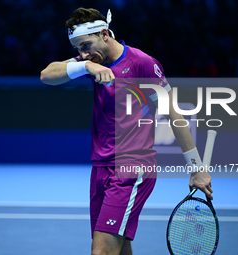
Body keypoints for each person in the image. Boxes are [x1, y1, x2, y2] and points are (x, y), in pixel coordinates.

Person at [40, 7, 213, 255]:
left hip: (132, 168)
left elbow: (173, 114)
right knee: (120, 249)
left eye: (86, 45)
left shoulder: (142, 64)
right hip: (100, 168)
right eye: (78, 49)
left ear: (104, 34)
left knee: (101, 252)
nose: (83, 53)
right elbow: (47, 75)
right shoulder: (90, 60)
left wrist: (196, 167)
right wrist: (85, 67)